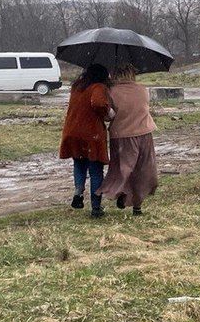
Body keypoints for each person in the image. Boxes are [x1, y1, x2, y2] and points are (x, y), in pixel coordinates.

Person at [98, 64, 158, 215]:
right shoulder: (142, 89)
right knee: (142, 168)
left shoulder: (111, 91)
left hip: (122, 135)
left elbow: (107, 115)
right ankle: (137, 204)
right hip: (144, 133)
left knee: (123, 168)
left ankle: (121, 192)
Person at [59, 63, 113, 218]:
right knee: (95, 169)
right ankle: (96, 207)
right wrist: (108, 111)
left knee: (79, 162)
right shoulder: (98, 87)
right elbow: (97, 103)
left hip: (72, 131)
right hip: (90, 133)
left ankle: (78, 192)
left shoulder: (77, 86)